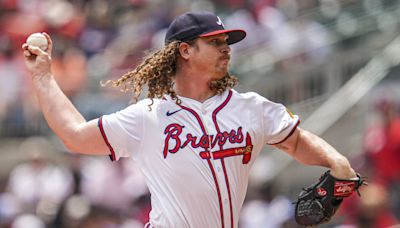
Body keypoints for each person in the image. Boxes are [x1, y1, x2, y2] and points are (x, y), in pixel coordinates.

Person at [22, 11, 358, 228]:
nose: (226, 48)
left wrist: (336, 160)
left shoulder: (250, 107)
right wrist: (42, 77)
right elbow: (75, 135)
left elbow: (296, 141)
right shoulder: (149, 116)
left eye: (226, 42)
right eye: (214, 42)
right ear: (185, 50)